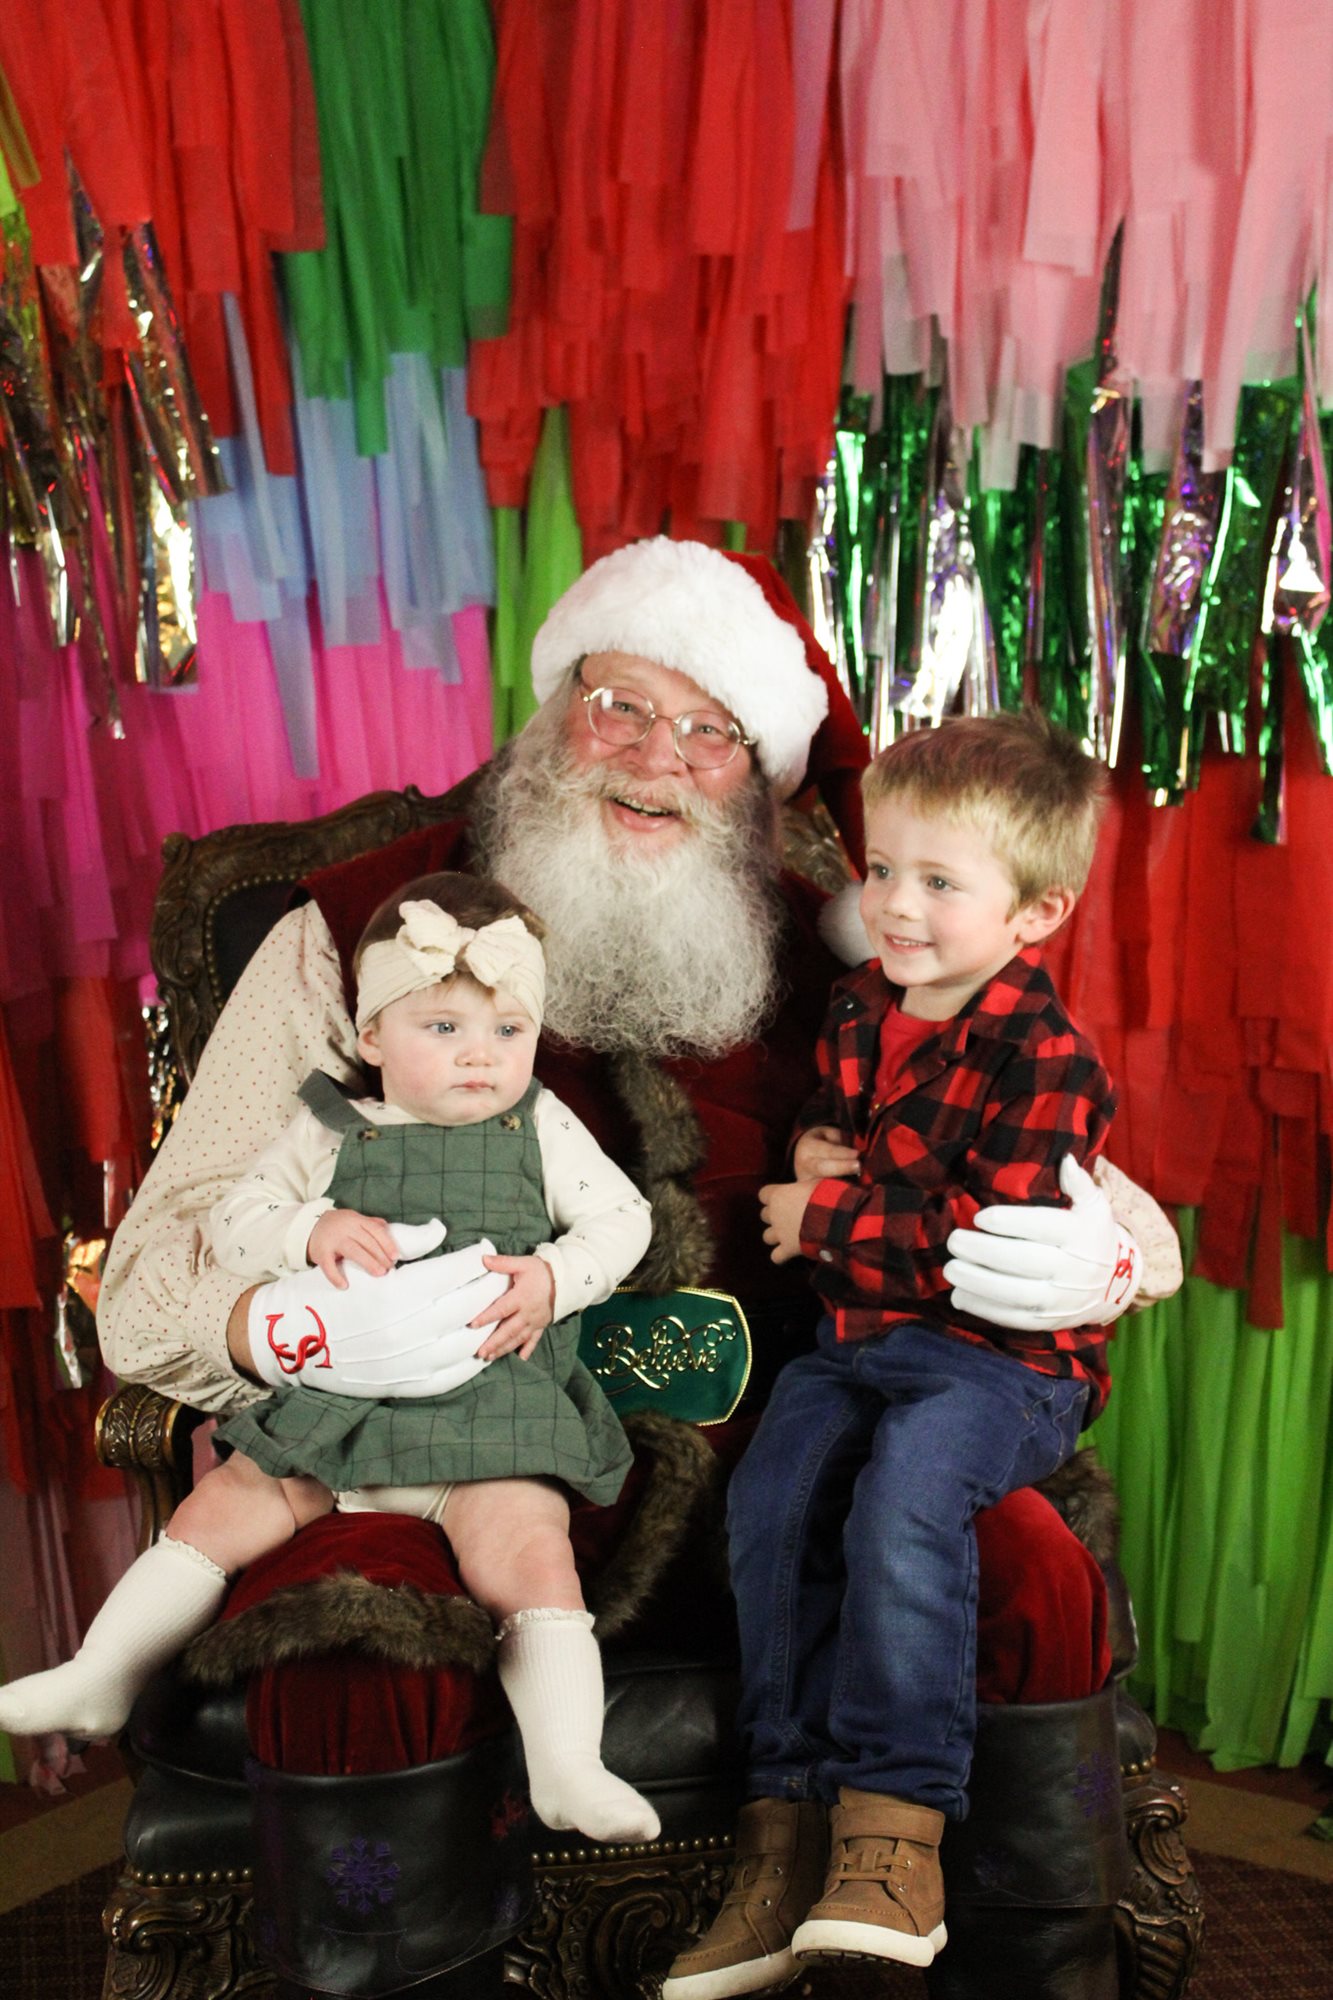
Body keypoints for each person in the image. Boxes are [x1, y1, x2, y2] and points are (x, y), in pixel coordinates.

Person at [86, 538, 1179, 1987]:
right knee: (352, 1654)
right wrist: (298, 1328)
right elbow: (155, 1272)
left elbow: (1106, 1189)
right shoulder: (356, 926)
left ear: (756, 777)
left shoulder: (848, 950)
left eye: (711, 730)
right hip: (446, 1457)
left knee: (1027, 1568)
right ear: (554, 713)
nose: (660, 759)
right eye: (621, 706)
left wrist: (1109, 1255)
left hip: (791, 1464)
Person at [0, 875, 659, 1846]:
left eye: (508, 1030)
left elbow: (624, 1219)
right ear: (370, 1037)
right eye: (443, 1027)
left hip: (494, 1411)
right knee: (220, 1505)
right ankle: (103, 1671)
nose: (480, 1053)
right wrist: (307, 1229)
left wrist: (557, 1278)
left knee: (531, 1553)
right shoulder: (327, 1123)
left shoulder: (541, 1123)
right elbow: (236, 1218)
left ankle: (567, 1764)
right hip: (343, 1410)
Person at [663, 711, 1128, 2000]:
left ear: (1037, 911)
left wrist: (820, 1214)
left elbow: (978, 1235)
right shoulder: (862, 1003)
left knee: (909, 1489)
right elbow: (840, 1118)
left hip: (1001, 1362)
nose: (895, 904)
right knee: (769, 1491)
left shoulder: (1049, 1056)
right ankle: (782, 1828)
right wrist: (815, 1145)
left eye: (938, 880)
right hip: (859, 1338)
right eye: (881, 869)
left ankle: (893, 1832)